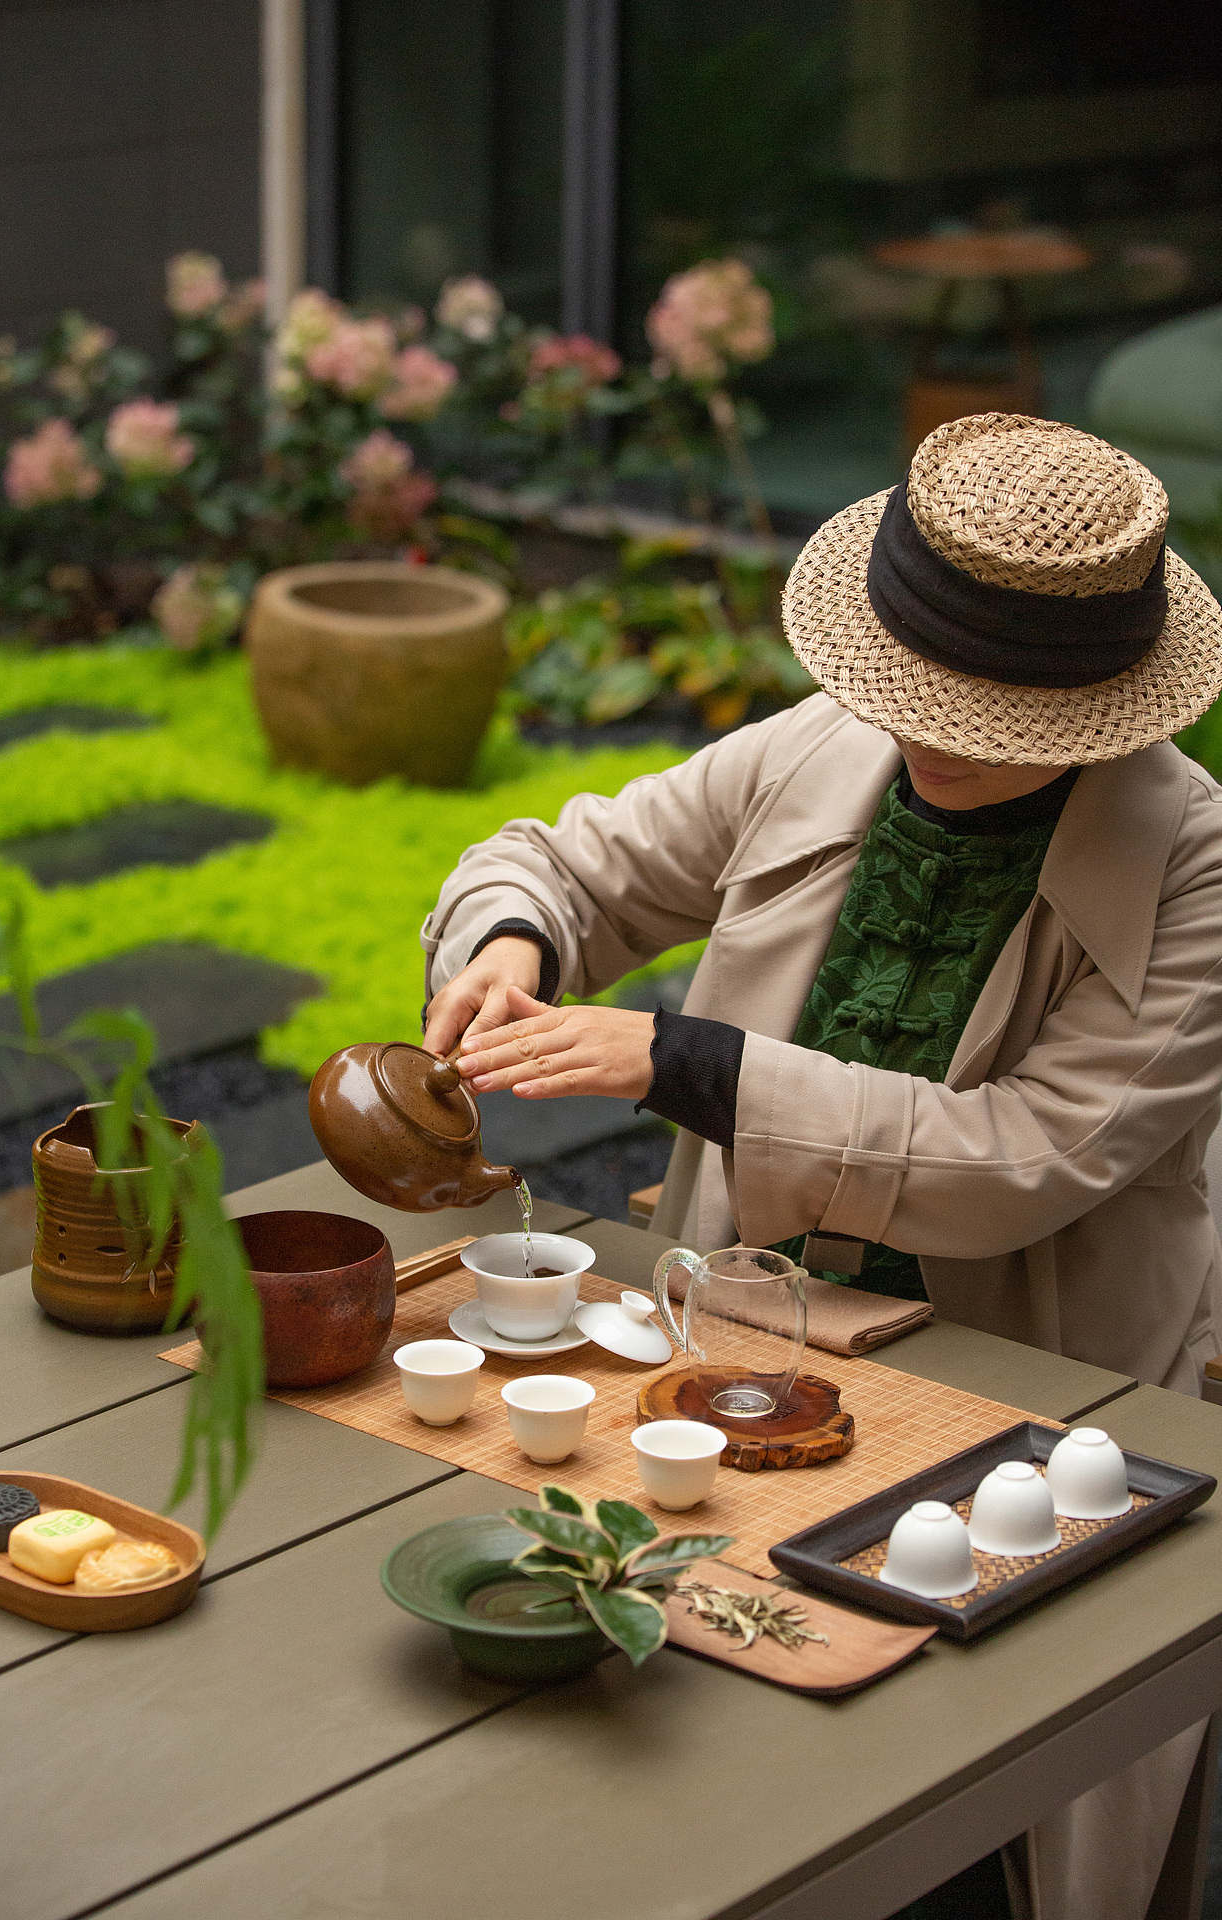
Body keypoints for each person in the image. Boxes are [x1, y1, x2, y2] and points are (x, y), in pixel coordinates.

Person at [421, 414, 1222, 1920]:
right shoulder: (825, 744)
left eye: (986, 715)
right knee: (695, 1757)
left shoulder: (1199, 869)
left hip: (1038, 1392)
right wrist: (512, 943)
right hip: (744, 1348)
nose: (929, 736)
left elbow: (1034, 1156)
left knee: (959, 1804)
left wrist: (688, 1064)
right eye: (912, 693)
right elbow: (570, 860)